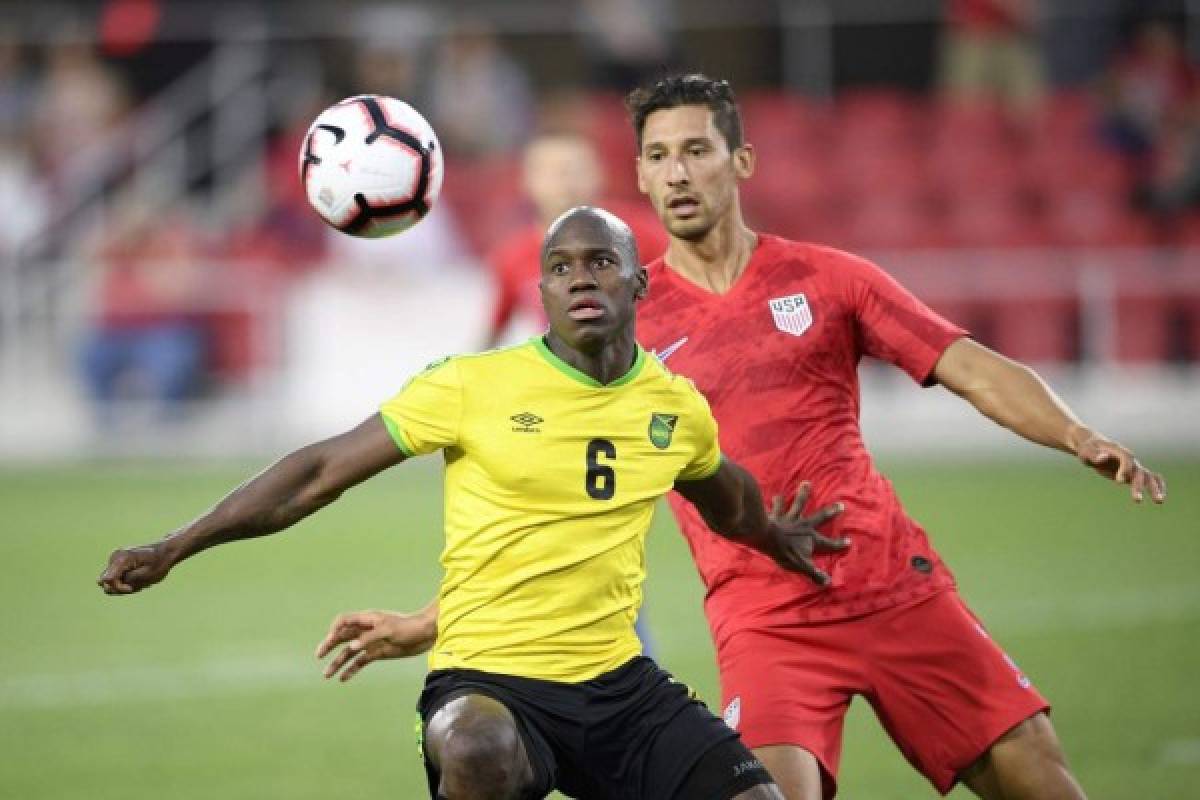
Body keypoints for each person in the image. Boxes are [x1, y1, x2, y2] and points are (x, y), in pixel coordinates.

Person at [328, 76, 1167, 800]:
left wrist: (1072, 431)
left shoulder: (831, 279)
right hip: (764, 620)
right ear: (640, 181)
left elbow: (967, 364)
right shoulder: (621, 328)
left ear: (742, 162)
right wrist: (435, 623)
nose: (677, 173)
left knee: (1042, 778)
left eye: (696, 150)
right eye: (656, 157)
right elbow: (550, 514)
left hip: (894, 586)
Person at [98, 206, 852, 800]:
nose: (580, 279)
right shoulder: (472, 385)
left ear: (639, 282)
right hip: (490, 681)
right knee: (474, 747)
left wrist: (775, 536)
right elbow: (318, 471)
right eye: (561, 268)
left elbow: (728, 496)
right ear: (544, 292)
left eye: (600, 263)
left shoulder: (673, 407)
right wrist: (177, 544)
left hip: (619, 685)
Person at [486, 129, 667, 348]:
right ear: (526, 181)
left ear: (598, 174)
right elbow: (494, 333)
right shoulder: (512, 258)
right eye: (551, 172)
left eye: (574, 170)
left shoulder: (644, 235)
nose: (565, 182)